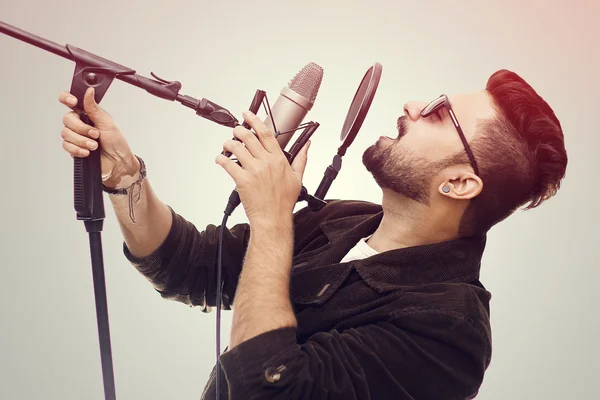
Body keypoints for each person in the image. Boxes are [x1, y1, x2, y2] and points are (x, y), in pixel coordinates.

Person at [57, 68, 567, 400]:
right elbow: (191, 265)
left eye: (438, 112)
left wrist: (273, 218)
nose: (412, 105)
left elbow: (270, 390)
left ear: (459, 182)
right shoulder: (344, 219)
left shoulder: (450, 334)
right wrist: (125, 176)